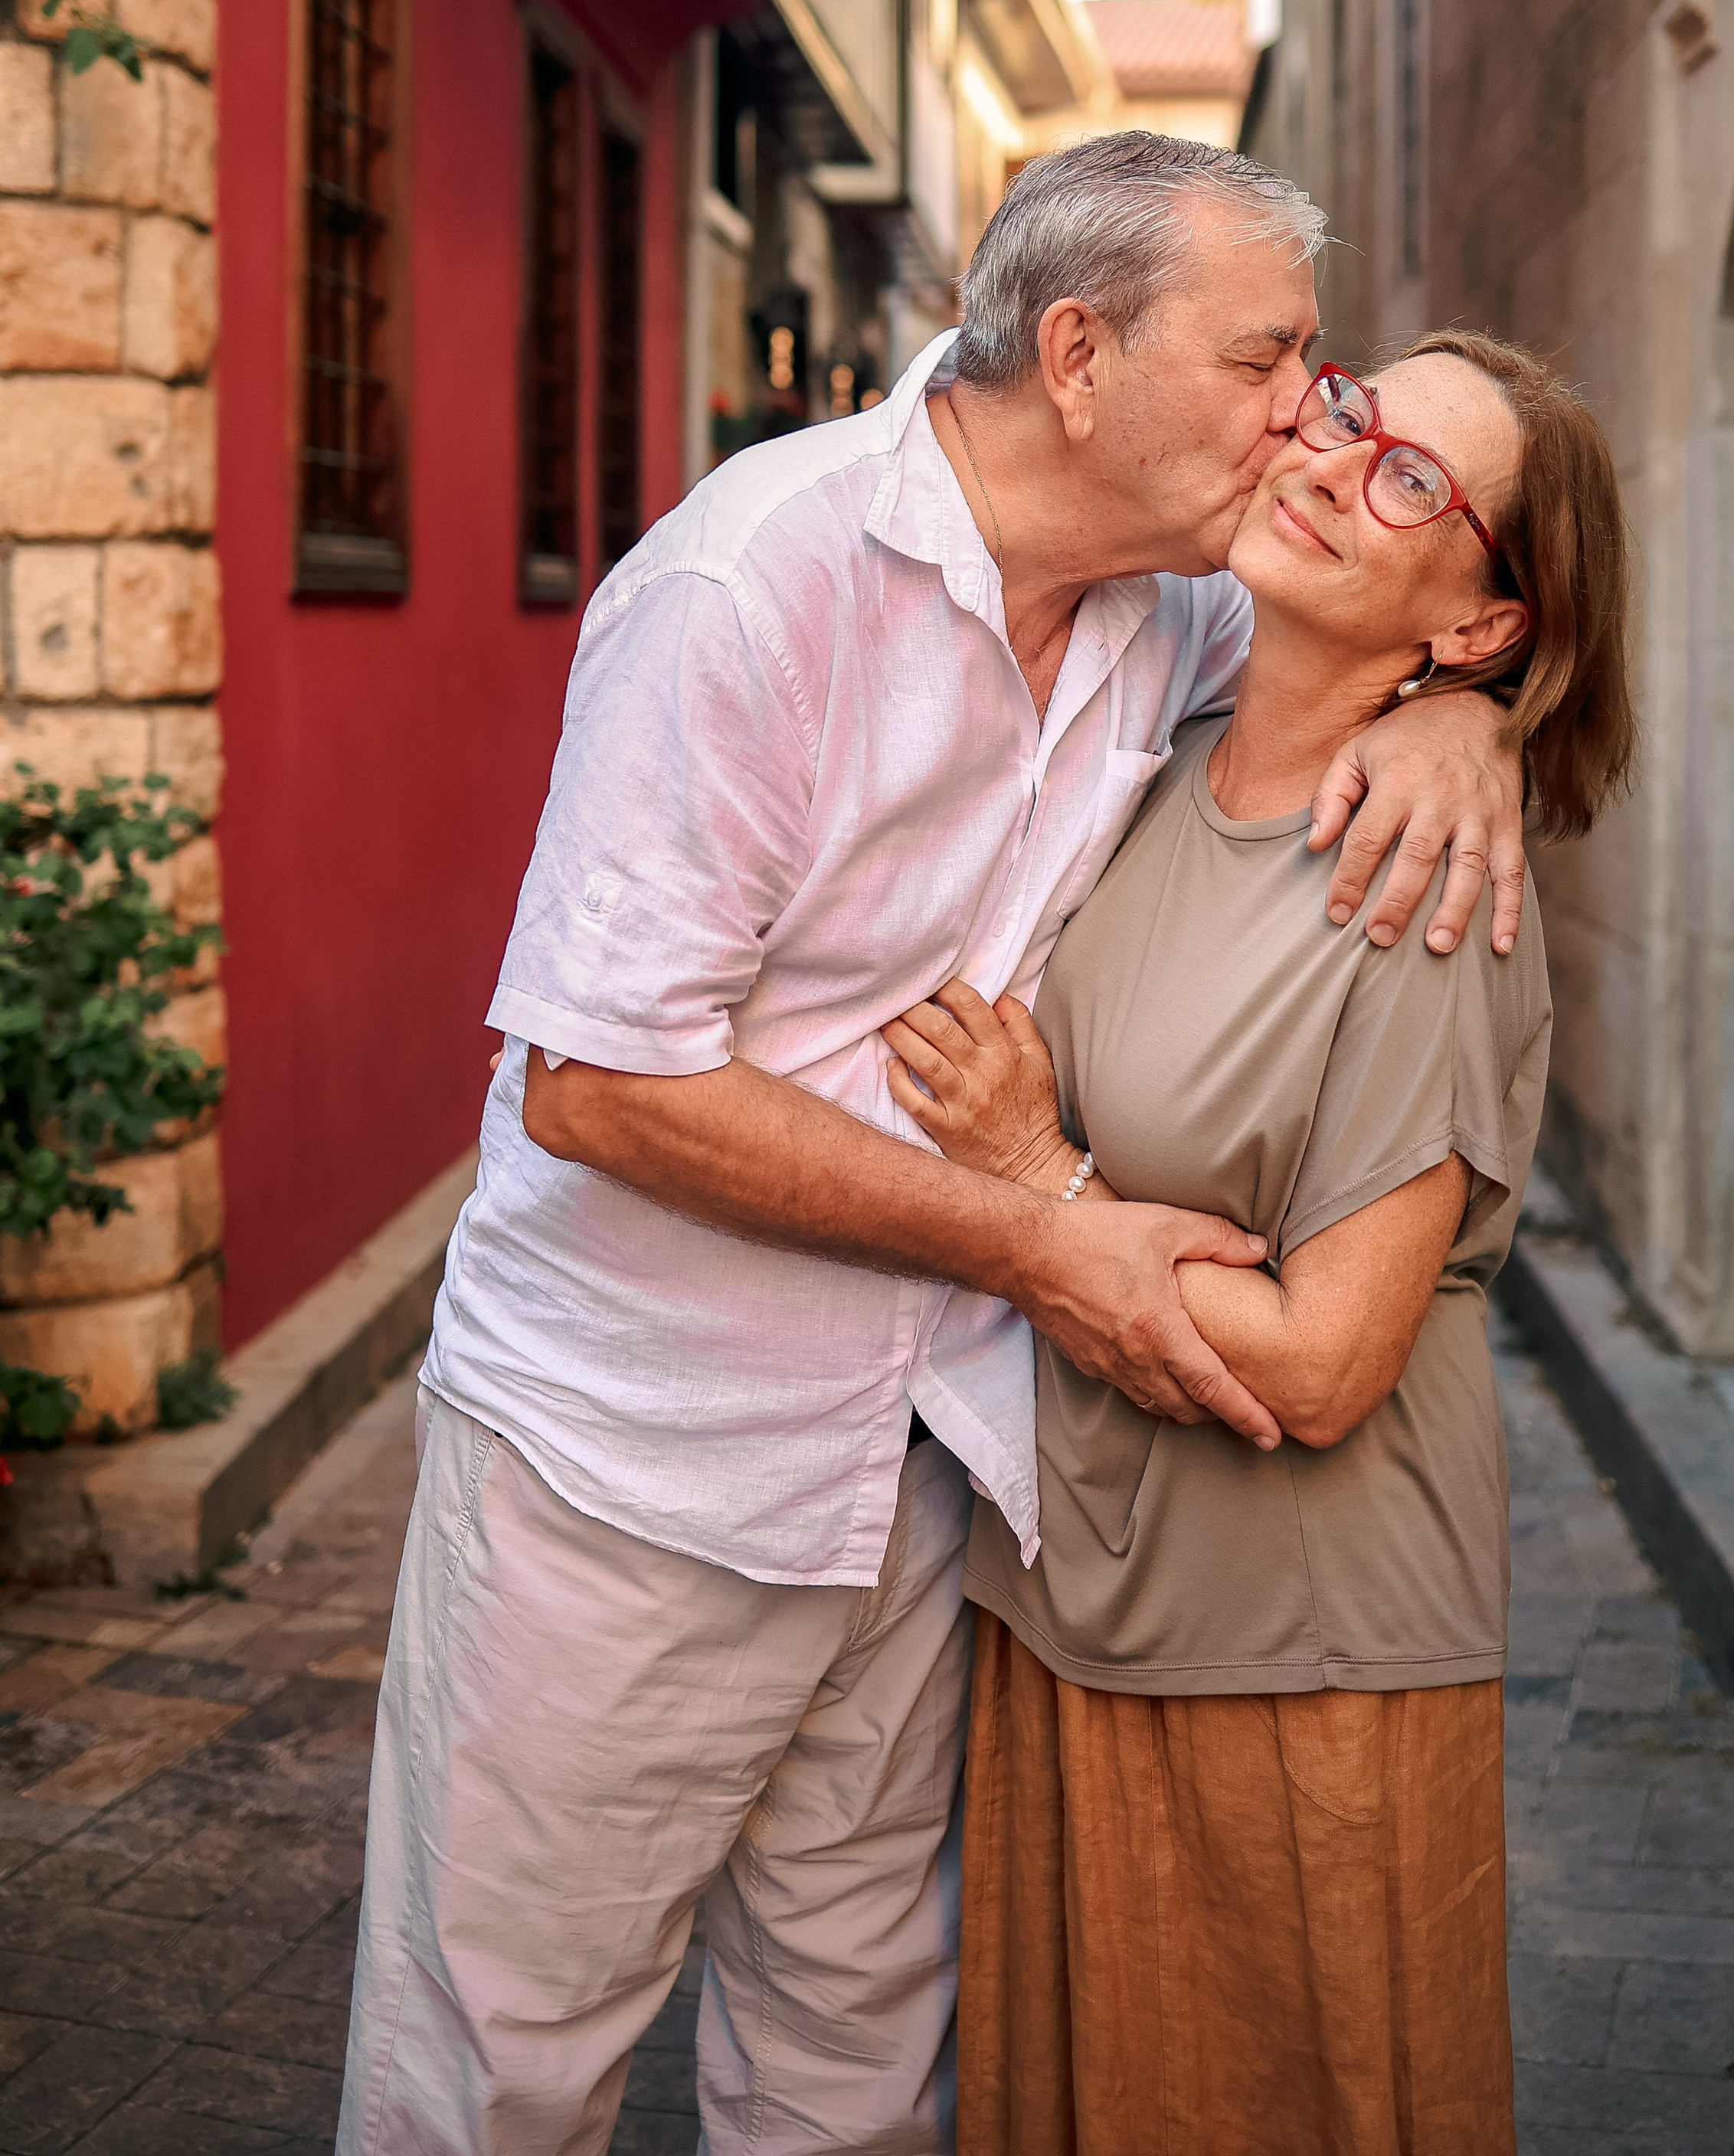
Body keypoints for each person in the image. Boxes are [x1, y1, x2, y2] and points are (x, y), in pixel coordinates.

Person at [335, 137, 1531, 2156]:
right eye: (1270, 363)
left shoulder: (1173, 613)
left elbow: (1401, 635)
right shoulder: (755, 584)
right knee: (493, 2075)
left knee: (852, 2080)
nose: (1303, 422)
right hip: (637, 1474)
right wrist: (1043, 1245)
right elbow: (598, 1086)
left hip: (924, 1483)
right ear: (1081, 356)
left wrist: (1462, 726)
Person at [880, 330, 1635, 2156]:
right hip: (1072, 1603)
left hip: (1297, 1658)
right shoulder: (1156, 752)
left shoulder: (1426, 895)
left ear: (1473, 628)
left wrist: (1029, 1172)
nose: (1328, 457)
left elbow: (1314, 1365)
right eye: (1353, 410)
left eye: (1407, 482)